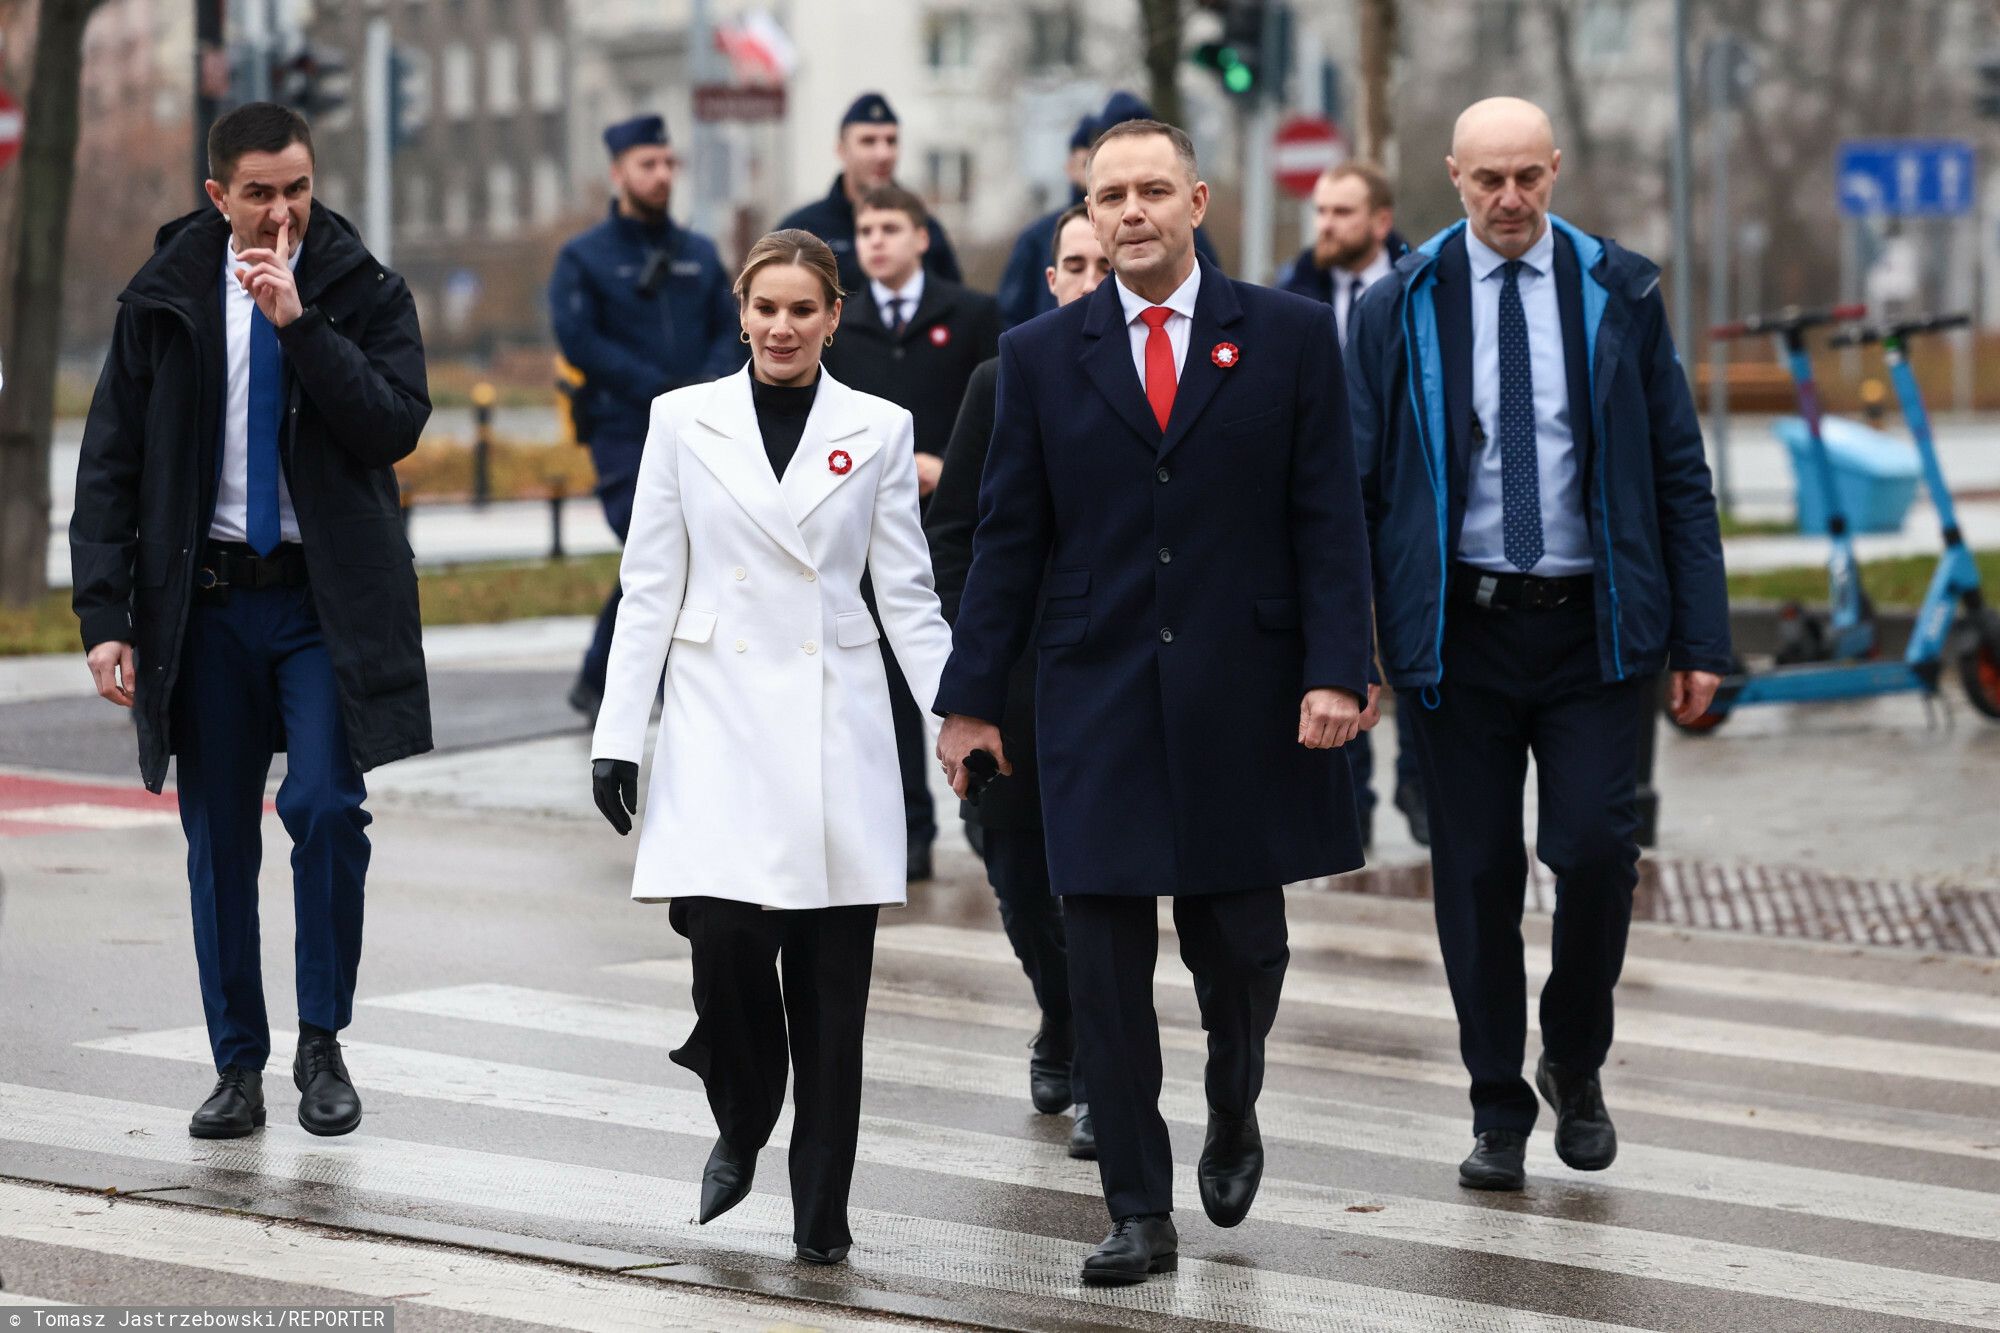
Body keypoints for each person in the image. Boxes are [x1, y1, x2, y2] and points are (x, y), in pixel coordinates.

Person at [934, 119, 1377, 1285]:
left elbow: (1328, 515)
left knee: (1240, 949)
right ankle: (1136, 1207)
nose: (1128, 210)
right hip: (1095, 695)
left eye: (1149, 190)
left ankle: (1234, 1102)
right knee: (1104, 963)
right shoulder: (1038, 353)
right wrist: (970, 699)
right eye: (1106, 194)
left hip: (1245, 688)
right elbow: (1007, 540)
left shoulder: (1285, 337)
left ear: (1195, 200)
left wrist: (1339, 666)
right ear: (1085, 209)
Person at [1344, 97, 1729, 1192]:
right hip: (1454, 636)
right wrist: (1350, 649)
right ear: (1451, 177)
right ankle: (1494, 1105)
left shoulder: (1620, 291)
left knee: (1597, 852)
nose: (1508, 200)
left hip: (1593, 634)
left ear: (1554, 170)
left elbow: (1675, 475)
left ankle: (1572, 1055)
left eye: (1527, 177)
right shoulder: (1400, 304)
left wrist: (1701, 636)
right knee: (1470, 874)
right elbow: (1353, 493)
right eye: (1486, 180)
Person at [587, 229, 953, 1267]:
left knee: (833, 993)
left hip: (834, 726)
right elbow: (648, 584)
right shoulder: (680, 420)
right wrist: (620, 733)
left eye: (803, 309)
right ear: (741, 313)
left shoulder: (877, 429)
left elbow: (908, 598)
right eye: (766, 308)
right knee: (726, 941)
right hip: (714, 722)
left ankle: (820, 1216)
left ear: (833, 317)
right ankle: (743, 1108)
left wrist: (954, 720)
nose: (782, 326)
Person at [70, 102, 431, 1140]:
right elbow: (110, 466)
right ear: (218, 195)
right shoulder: (164, 300)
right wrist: (107, 615)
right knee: (217, 839)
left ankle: (323, 1045)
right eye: (261, 193)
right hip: (209, 608)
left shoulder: (360, 289)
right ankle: (238, 1064)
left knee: (323, 809)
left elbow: (391, 425)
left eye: (300, 188)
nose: (284, 211)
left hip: (323, 607)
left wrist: (300, 325)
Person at [925, 201, 1111, 1159]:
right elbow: (953, 530)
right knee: (1018, 877)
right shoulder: (1000, 381)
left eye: (1102, 263)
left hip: (1113, 674)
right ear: (1051, 280)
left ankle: (1097, 1068)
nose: (1089, 279)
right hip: (1013, 676)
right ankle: (1062, 1016)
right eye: (1072, 265)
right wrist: (973, 657)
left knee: (1101, 889)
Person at [823, 184, 1000, 880]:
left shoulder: (971, 313)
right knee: (890, 688)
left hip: (959, 525)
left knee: (965, 669)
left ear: (921, 237)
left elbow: (997, 410)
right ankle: (910, 830)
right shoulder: (845, 323)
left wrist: (947, 465)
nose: (876, 241)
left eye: (891, 227)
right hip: (873, 530)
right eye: (866, 229)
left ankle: (980, 806)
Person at [550, 114, 743, 720]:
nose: (661, 176)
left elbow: (729, 328)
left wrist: (703, 390)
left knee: (673, 555)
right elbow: (580, 340)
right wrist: (661, 393)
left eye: (667, 163)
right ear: (618, 172)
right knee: (657, 549)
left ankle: (597, 677)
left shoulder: (700, 254)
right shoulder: (584, 258)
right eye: (647, 165)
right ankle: (647, 684)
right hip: (624, 437)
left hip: (702, 433)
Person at [1276, 161, 1427, 848]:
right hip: (1321, 500)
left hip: (1402, 495)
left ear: (1380, 222)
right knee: (1341, 644)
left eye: (1342, 212)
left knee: (1414, 647)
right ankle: (1354, 798)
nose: (1325, 225)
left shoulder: (1420, 292)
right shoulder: (1290, 291)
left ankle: (1421, 789)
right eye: (1320, 212)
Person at [997, 92, 1221, 331]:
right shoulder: (1039, 237)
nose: (1132, 212)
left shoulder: (1187, 234)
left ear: (1196, 205)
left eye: (1154, 191)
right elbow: (1011, 317)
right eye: (1113, 196)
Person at [778, 92, 961, 297]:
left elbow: (954, 307)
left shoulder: (924, 228)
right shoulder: (803, 230)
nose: (883, 154)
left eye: (891, 141)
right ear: (841, 150)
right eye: (868, 141)